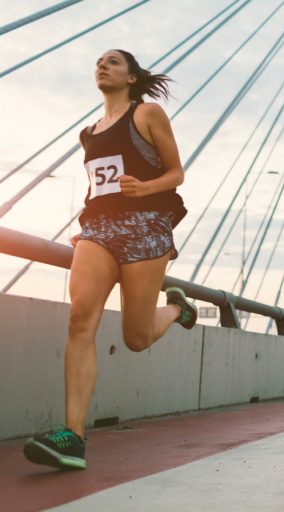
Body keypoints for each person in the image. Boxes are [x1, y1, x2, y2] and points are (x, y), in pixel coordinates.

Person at [23, 49, 196, 470]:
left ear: (132, 77)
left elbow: (176, 173)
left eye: (113, 62)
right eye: (98, 61)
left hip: (146, 227)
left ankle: (176, 307)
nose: (102, 65)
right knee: (81, 318)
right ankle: (73, 437)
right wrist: (86, 227)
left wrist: (146, 187)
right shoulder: (90, 133)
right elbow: (97, 186)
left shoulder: (147, 114)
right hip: (99, 230)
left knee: (136, 337)